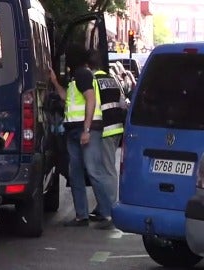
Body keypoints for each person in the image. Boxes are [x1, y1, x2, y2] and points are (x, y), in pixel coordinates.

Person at [49, 44, 113, 229]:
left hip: (87, 130)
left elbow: (90, 100)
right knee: (75, 172)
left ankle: (106, 213)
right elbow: (66, 98)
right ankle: (81, 216)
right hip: (74, 130)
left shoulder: (83, 74)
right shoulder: (75, 78)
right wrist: (54, 82)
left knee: (93, 171)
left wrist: (86, 129)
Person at [87, 50, 127, 227]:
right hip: (117, 128)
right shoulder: (113, 79)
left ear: (89, 66)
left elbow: (91, 105)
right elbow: (122, 104)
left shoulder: (92, 81)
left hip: (103, 130)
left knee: (106, 170)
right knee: (105, 169)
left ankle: (110, 210)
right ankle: (103, 206)